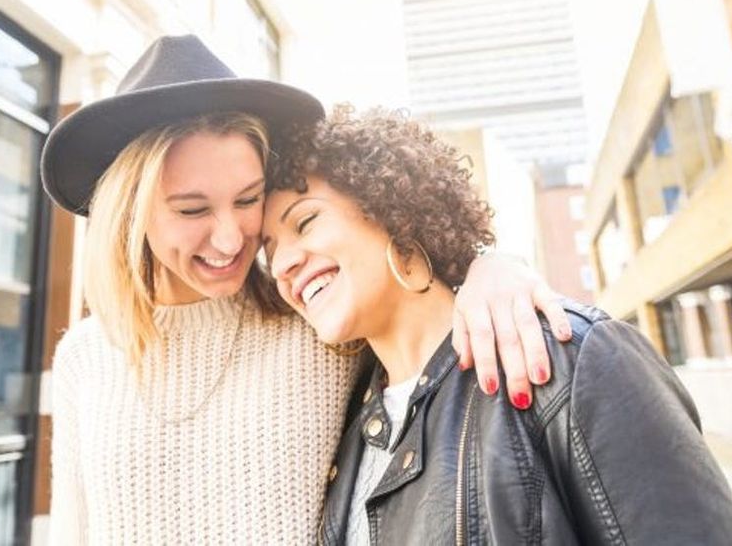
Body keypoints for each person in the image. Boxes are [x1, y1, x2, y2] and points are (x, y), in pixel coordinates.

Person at [40, 35, 571, 544]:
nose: (230, 238)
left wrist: (489, 264)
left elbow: (415, 314)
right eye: (192, 209)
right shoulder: (84, 358)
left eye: (247, 200)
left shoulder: (318, 329)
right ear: (128, 214)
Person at [262, 107, 732, 545]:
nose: (282, 263)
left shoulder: (570, 357)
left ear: (390, 211)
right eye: (268, 251)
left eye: (304, 223)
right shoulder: (347, 421)